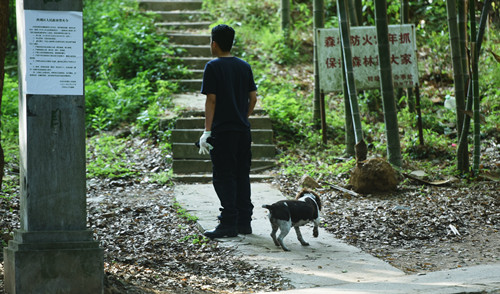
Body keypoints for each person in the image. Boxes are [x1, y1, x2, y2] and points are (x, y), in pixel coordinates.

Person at [199, 24, 258, 238]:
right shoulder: (244, 66)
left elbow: (211, 100)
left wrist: (207, 131)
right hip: (243, 132)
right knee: (242, 175)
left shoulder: (212, 67)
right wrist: (242, 117)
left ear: (214, 43)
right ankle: (244, 222)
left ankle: (227, 223)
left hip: (223, 132)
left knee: (224, 177)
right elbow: (253, 98)